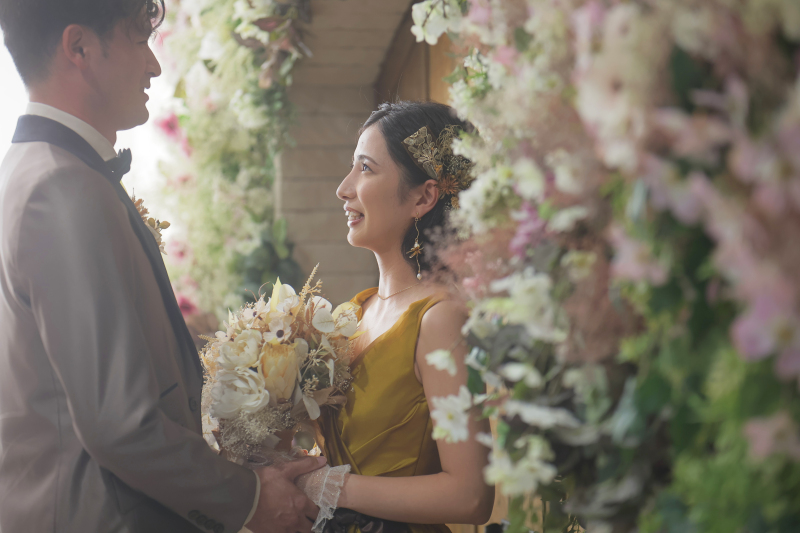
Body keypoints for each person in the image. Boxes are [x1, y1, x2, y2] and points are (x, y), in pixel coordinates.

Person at [0, 1, 323, 532]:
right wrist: (248, 499)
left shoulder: (43, 171)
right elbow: (118, 422)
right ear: (79, 48)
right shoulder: (59, 186)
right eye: (137, 40)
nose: (153, 66)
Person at [322, 101, 495, 532]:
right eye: (351, 167)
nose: (343, 189)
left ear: (423, 197)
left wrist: (331, 488)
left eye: (365, 168)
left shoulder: (440, 319)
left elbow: (471, 496)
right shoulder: (350, 315)